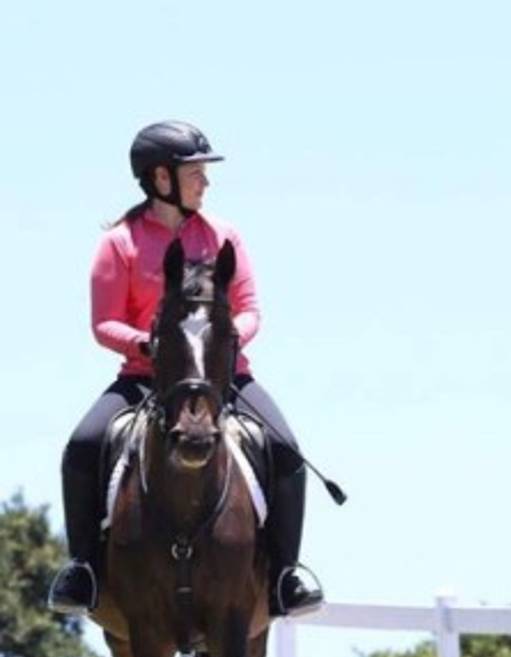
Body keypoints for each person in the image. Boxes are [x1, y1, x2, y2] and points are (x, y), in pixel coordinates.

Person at [48, 120, 322, 618]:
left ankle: (286, 574)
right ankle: (83, 569)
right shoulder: (119, 244)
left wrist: (222, 342)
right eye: (195, 171)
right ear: (161, 178)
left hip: (223, 377)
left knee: (286, 450)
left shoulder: (224, 236)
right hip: (145, 378)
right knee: (81, 447)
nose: (206, 181)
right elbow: (104, 322)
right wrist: (148, 346)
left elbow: (250, 307)